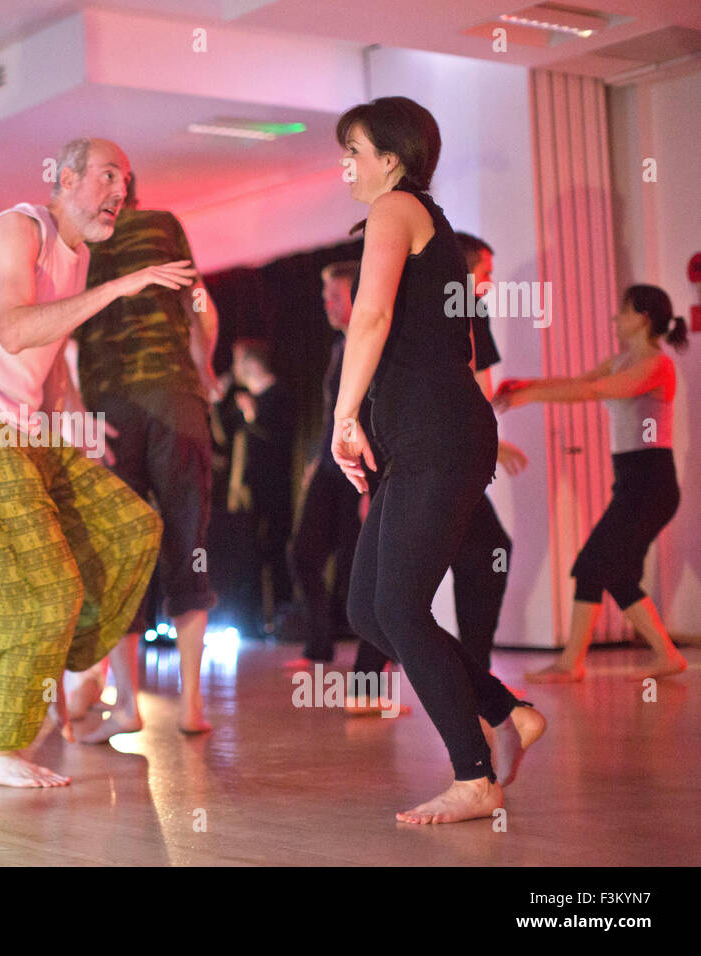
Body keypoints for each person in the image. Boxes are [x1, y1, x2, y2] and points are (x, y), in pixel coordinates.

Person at [0, 137, 188, 787]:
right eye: (105, 177)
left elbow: (49, 355)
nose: (119, 192)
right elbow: (16, 329)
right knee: (48, 595)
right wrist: (124, 285)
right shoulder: (18, 229)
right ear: (63, 179)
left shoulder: (77, 256)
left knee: (133, 526)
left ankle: (66, 667)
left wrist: (73, 423)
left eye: (126, 181)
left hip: (22, 426)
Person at [331, 97, 545, 823]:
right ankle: (504, 709)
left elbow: (371, 314)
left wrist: (342, 417)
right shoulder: (418, 216)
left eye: (352, 150)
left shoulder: (396, 207)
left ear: (389, 158)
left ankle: (474, 777)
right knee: (368, 607)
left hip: (439, 432)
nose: (345, 166)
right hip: (420, 438)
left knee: (397, 603)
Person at [66, 173, 219, 740]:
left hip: (105, 411)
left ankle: (126, 706)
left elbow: (61, 335)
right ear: (135, 191)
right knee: (189, 543)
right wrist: (203, 368)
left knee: (117, 554)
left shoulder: (76, 243)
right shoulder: (162, 224)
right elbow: (199, 302)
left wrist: (73, 407)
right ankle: (192, 706)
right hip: (172, 398)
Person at [495, 284, 689, 682]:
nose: (616, 317)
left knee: (591, 564)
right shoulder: (620, 361)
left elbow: (592, 391)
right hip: (633, 483)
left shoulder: (657, 365)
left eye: (623, 310)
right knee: (614, 572)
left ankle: (571, 663)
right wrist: (525, 385)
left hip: (652, 484)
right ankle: (667, 655)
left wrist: (529, 398)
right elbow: (577, 380)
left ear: (643, 318)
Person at [291, 262, 371, 665]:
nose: (327, 304)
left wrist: (372, 486)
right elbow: (334, 417)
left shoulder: (371, 344)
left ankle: (376, 658)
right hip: (329, 467)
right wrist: (316, 460)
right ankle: (319, 646)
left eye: (335, 296)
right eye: (325, 297)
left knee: (362, 566)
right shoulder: (340, 346)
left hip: (359, 473)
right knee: (304, 554)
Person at [232, 338, 296, 635]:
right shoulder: (245, 400)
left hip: (274, 494)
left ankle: (281, 620)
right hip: (248, 495)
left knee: (274, 553)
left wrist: (253, 416)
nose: (234, 369)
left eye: (238, 361)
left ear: (252, 364)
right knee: (249, 556)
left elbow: (280, 441)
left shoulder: (279, 396)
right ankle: (252, 621)